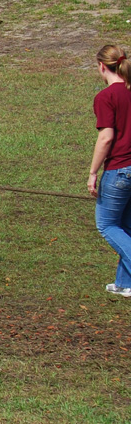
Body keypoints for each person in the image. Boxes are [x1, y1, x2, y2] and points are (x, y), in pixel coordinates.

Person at [89, 45, 131, 297]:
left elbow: (106, 138)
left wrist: (93, 172)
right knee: (125, 225)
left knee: (106, 225)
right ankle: (125, 284)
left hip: (120, 170)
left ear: (102, 66)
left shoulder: (106, 97)